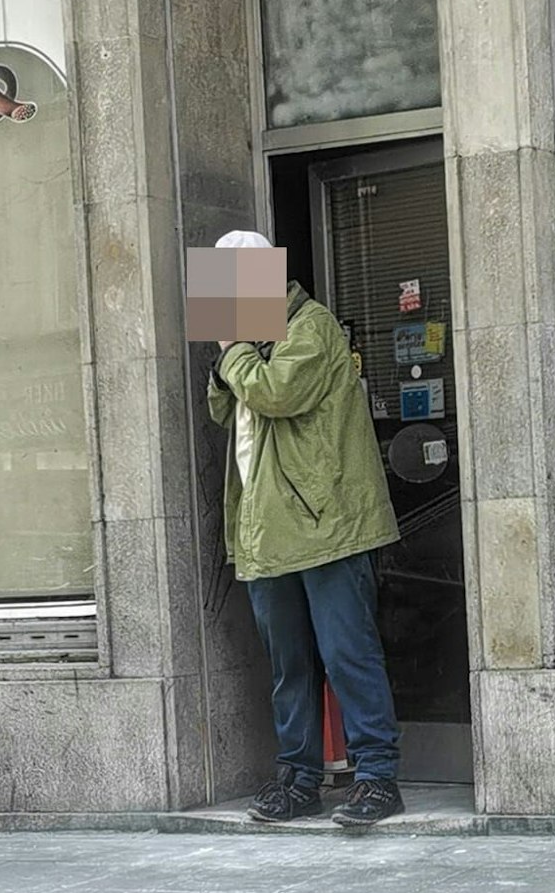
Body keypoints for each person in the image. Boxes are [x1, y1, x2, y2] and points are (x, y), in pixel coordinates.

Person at [205, 229, 405, 827]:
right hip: (266, 530)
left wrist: (231, 351)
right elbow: (226, 407)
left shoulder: (311, 326)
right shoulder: (245, 341)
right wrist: (229, 362)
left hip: (327, 525)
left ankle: (376, 776)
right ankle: (297, 778)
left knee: (348, 654)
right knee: (290, 665)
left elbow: (275, 392)